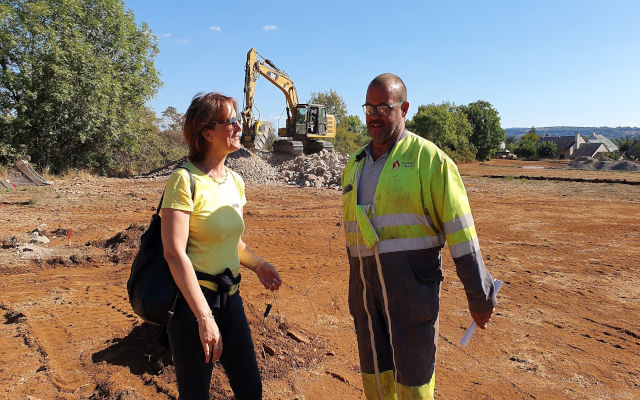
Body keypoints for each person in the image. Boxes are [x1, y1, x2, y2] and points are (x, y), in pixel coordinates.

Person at [341, 74, 497, 399]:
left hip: (411, 299)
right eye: (369, 107)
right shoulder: (353, 166)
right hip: (367, 302)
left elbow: (462, 234)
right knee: (376, 383)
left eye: (383, 106)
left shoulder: (430, 162)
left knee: (413, 385)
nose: (373, 115)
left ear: (404, 108)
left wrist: (479, 295)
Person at [161, 92, 282, 399]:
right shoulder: (184, 180)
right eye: (231, 121)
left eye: (237, 120)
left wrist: (258, 265)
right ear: (207, 132)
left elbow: (234, 242)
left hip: (231, 300)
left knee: (251, 389)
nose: (239, 127)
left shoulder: (235, 181)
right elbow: (174, 253)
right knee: (196, 394)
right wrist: (204, 317)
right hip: (194, 304)